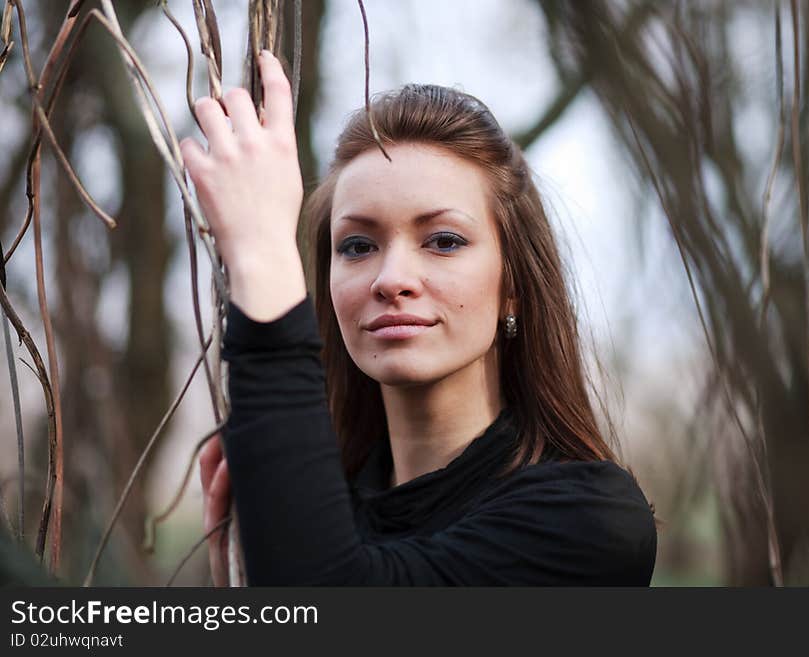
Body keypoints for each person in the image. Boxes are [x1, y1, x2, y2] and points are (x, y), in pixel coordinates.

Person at [181, 50, 657, 586]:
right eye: (358, 246)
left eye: (444, 241)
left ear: (513, 288)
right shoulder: (312, 505)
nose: (391, 278)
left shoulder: (589, 522)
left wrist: (263, 250)